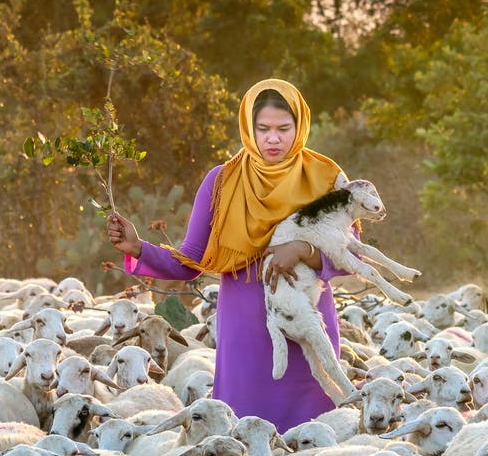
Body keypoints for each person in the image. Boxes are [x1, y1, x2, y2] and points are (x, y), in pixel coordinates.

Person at [106, 79, 347, 432]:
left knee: (318, 439)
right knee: (243, 438)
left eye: (284, 128)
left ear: (301, 126)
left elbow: (347, 254)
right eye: (263, 129)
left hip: (307, 328)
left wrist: (302, 249)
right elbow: (191, 260)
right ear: (248, 129)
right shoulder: (222, 181)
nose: (273, 139)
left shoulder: (327, 179)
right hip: (245, 334)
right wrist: (139, 248)